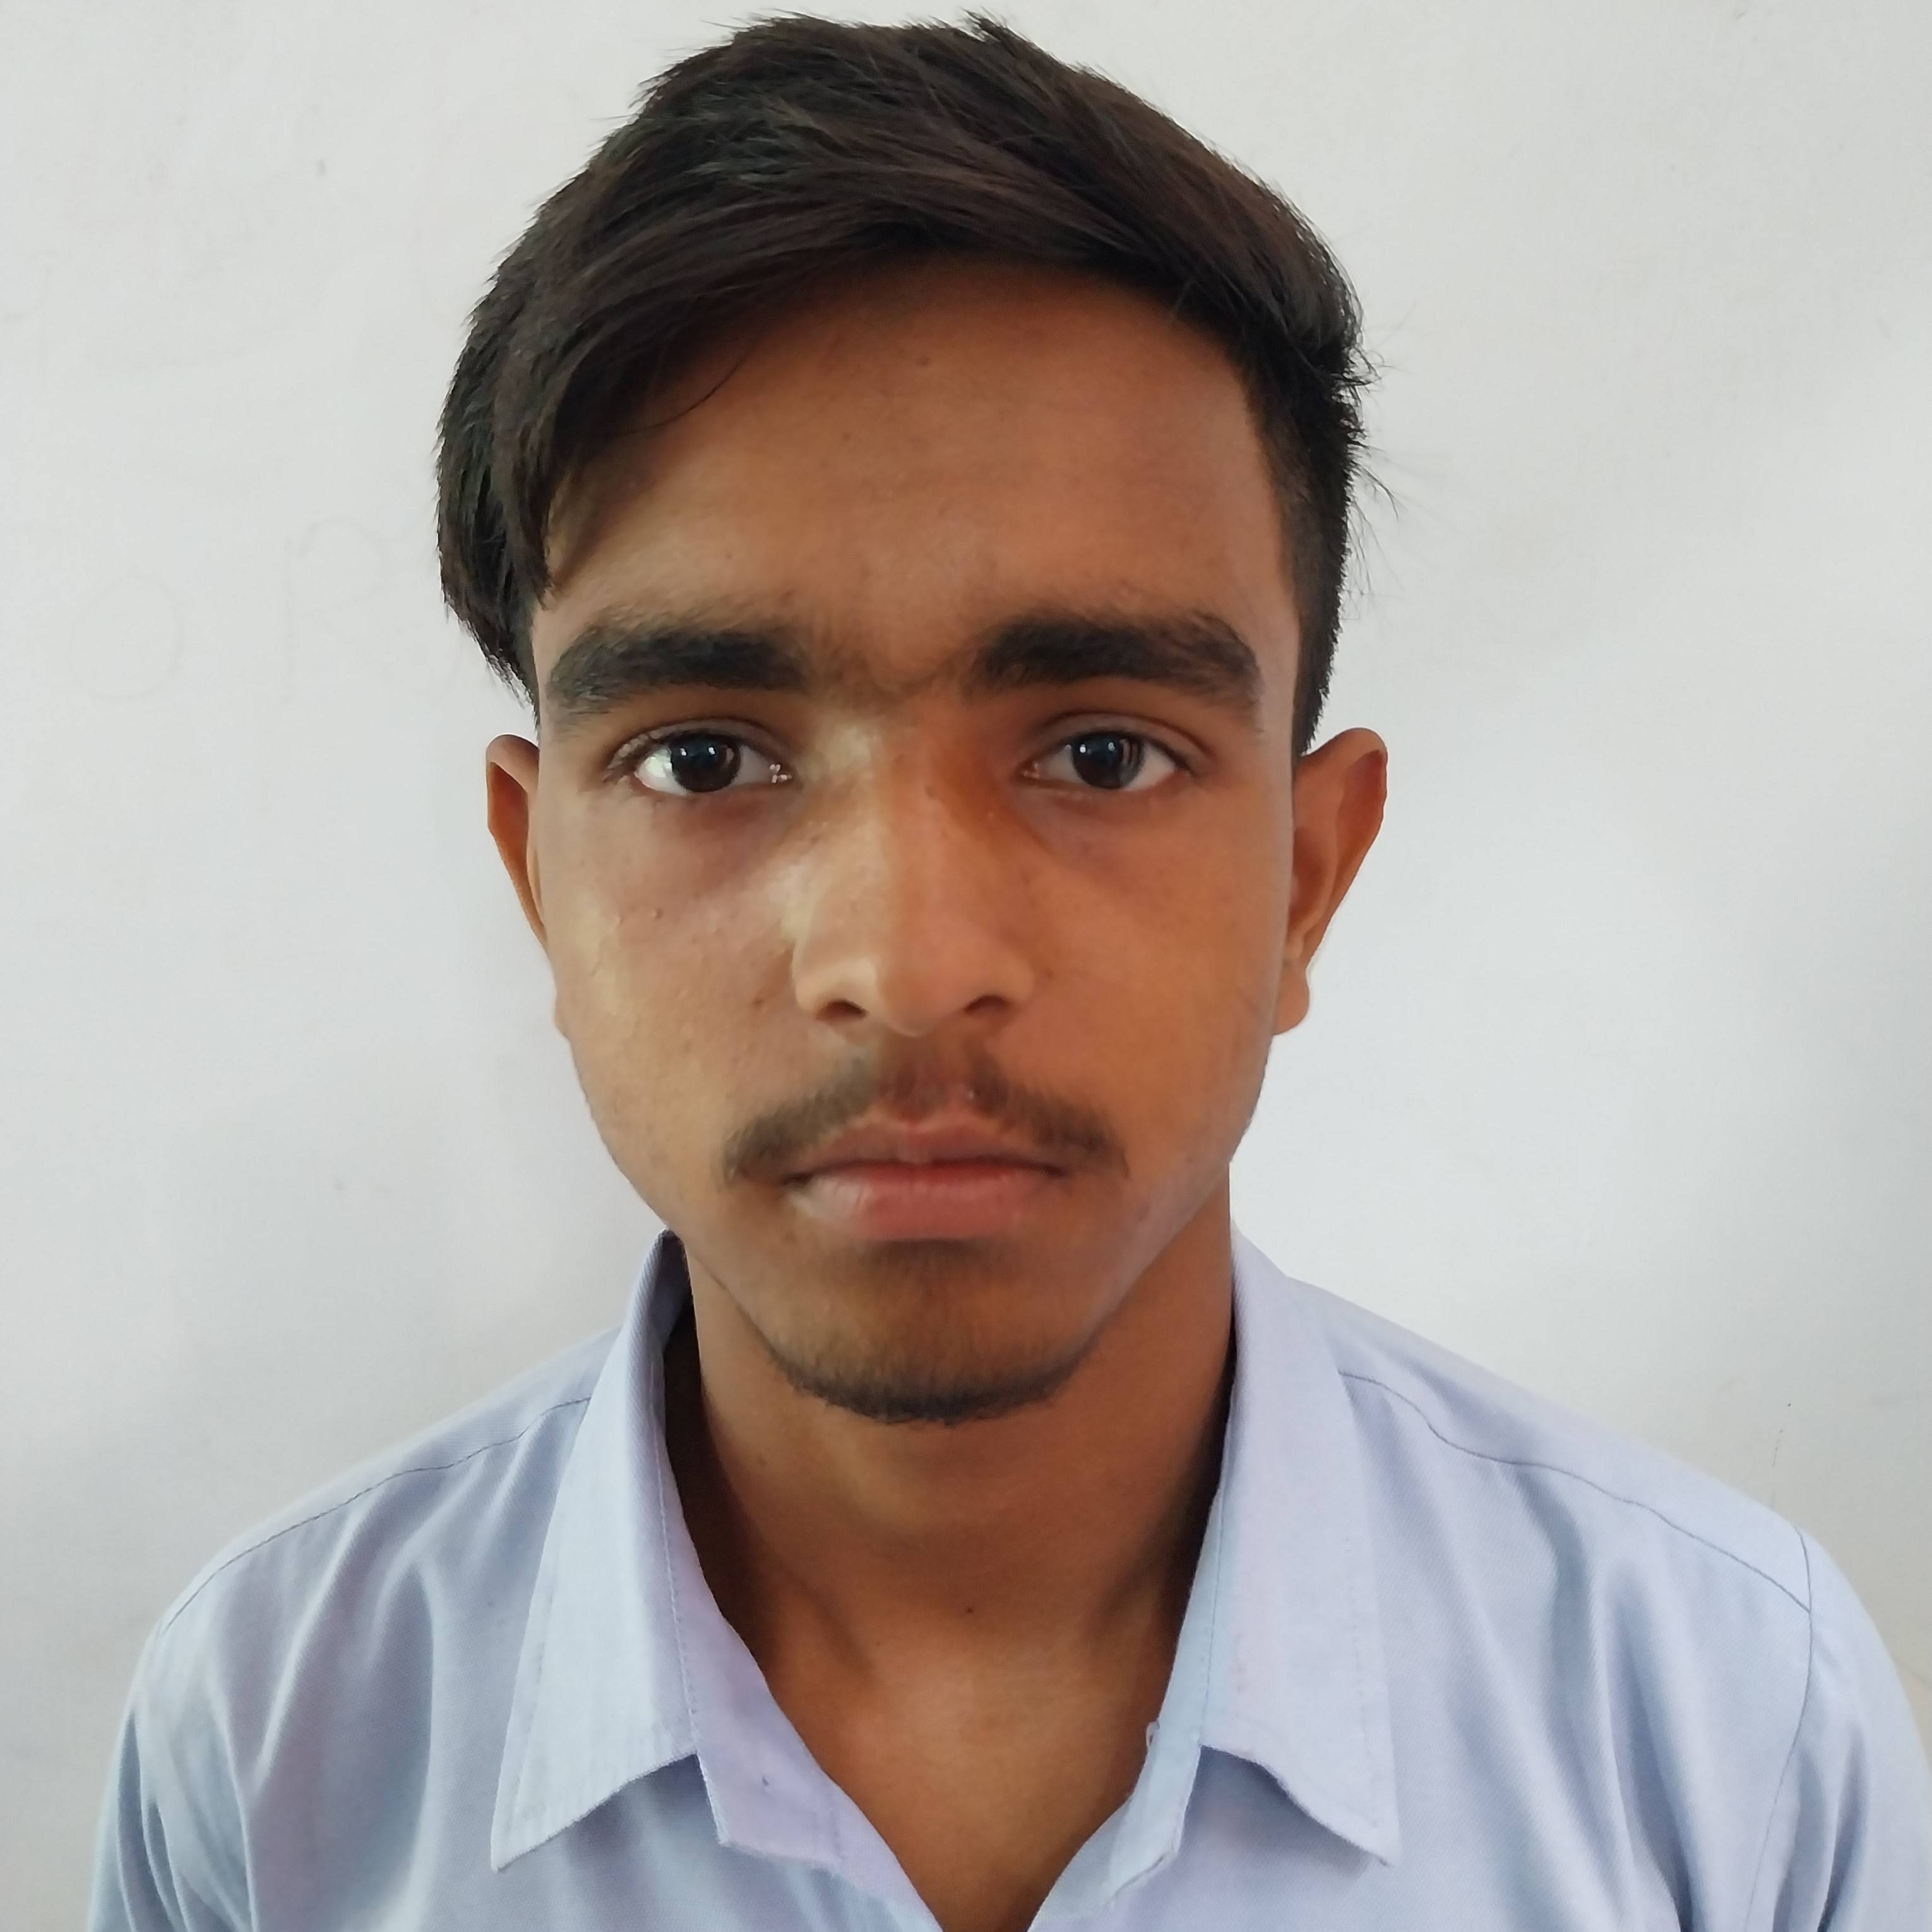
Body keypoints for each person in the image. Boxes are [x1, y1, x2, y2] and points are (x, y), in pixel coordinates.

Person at [89, 14, 1929, 1931]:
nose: (906, 964)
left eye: (1102, 754)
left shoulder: (1725, 1727)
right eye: (704, 759)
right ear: (538, 880)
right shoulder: (275, 1747)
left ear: (1307, 879)